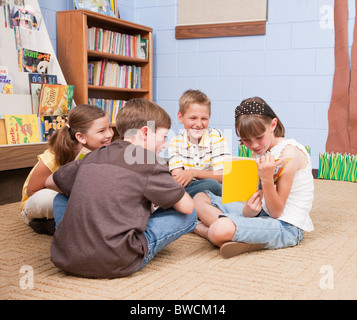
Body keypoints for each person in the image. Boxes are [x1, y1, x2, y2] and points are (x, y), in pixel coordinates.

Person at [45, 98, 196, 279]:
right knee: (190, 215)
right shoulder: (148, 161)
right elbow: (186, 207)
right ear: (145, 132)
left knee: (61, 198)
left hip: (66, 258)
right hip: (118, 260)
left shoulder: (95, 155)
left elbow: (50, 182)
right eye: (163, 137)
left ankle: (73, 239)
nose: (164, 144)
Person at [194, 97, 314, 258]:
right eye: (246, 140)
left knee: (218, 230)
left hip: (286, 226)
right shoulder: (261, 150)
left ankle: (201, 228)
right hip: (263, 213)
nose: (254, 145)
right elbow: (254, 197)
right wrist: (247, 211)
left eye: (259, 137)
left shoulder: (289, 153)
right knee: (199, 198)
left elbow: (277, 212)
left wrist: (266, 179)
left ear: (273, 125)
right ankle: (242, 234)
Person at [20, 104, 114, 235]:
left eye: (109, 127)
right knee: (47, 199)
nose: (110, 134)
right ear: (80, 137)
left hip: (78, 201)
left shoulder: (102, 152)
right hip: (41, 205)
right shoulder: (53, 157)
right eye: (101, 131)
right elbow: (32, 192)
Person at [168, 89, 230, 198]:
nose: (199, 124)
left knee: (212, 185)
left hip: (213, 190)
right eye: (193, 118)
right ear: (180, 117)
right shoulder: (175, 141)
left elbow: (224, 177)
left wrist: (193, 173)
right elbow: (178, 178)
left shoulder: (216, 136)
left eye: (204, 119)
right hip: (188, 189)